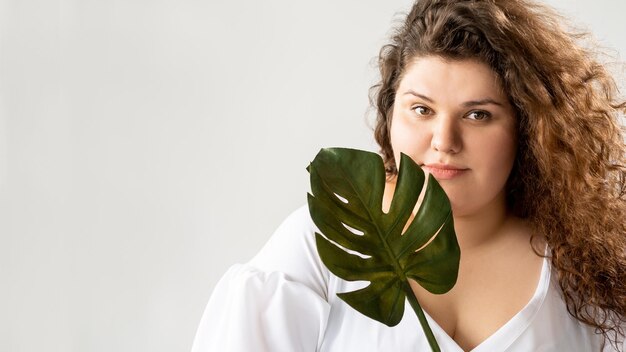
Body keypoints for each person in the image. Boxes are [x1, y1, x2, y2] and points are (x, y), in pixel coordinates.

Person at [191, 0, 625, 351]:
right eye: (422, 109)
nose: (444, 140)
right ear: (390, 116)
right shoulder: (322, 245)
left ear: (528, 129)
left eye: (478, 115)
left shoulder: (586, 273)